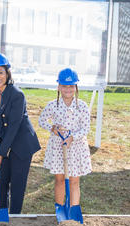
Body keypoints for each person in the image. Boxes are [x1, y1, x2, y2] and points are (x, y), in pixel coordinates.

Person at [0, 52, 41, 214]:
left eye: (0, 72)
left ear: (8, 73)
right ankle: (2, 213)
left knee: (17, 184)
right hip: (7, 142)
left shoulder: (17, 95)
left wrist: (1, 154)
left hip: (22, 145)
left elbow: (14, 126)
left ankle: (15, 218)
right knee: (2, 180)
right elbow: (0, 116)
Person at [38, 68, 91, 214]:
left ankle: (73, 209)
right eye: (64, 86)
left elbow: (86, 128)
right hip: (58, 147)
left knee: (74, 180)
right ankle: (60, 209)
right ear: (59, 87)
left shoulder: (82, 106)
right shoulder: (53, 105)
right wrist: (53, 128)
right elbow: (41, 120)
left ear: (76, 87)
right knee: (60, 180)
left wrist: (72, 137)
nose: (68, 89)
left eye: (71, 86)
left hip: (76, 147)